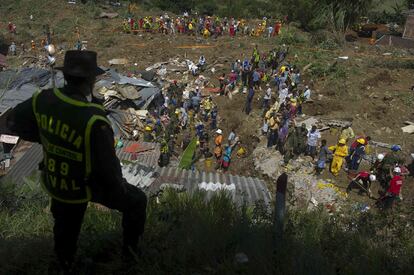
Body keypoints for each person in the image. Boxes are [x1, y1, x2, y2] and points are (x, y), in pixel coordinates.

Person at [5, 51, 147, 271]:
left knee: (64, 232)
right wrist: (119, 190)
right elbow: (107, 169)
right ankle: (129, 258)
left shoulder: (42, 99)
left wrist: (46, 139)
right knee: (137, 201)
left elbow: (13, 122)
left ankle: (63, 263)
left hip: (57, 181)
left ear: (67, 76)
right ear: (91, 80)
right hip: (86, 184)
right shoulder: (94, 119)